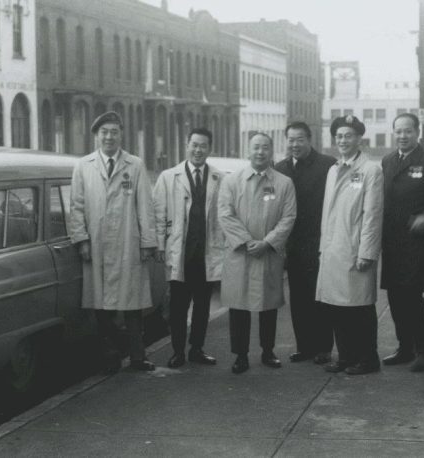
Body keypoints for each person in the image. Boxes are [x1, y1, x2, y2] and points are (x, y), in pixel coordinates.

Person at [70, 111, 157, 374]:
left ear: (121, 134)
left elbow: (145, 206)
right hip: (96, 245)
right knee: (102, 306)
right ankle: (109, 356)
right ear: (96, 136)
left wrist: (147, 242)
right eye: (104, 132)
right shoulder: (83, 165)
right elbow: (76, 206)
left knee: (131, 304)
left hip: (127, 243)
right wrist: (81, 239)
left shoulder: (135, 165)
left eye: (114, 132)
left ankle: (138, 357)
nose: (109, 137)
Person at [218, 133, 297, 374]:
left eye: (265, 148)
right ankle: (240, 355)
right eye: (256, 147)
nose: (260, 152)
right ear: (248, 150)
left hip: (268, 253)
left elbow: (288, 216)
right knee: (239, 306)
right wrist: (245, 241)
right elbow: (225, 213)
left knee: (268, 305)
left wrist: (267, 242)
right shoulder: (232, 181)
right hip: (240, 254)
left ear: (272, 151)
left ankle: (267, 351)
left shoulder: (284, 183)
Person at [316, 115, 384, 375]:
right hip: (334, 249)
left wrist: (367, 251)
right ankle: (345, 356)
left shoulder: (370, 170)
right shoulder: (333, 170)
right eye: (339, 136)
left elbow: (372, 214)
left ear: (359, 139)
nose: (343, 140)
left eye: (349, 136)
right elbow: (327, 212)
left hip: (355, 249)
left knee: (360, 308)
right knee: (336, 307)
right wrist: (324, 247)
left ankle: (368, 359)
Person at [153, 128, 224, 368]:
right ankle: (178, 352)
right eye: (194, 145)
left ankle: (197, 349)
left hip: (206, 252)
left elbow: (223, 217)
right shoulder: (168, 177)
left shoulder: (218, 178)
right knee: (178, 307)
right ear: (186, 145)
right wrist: (160, 245)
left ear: (209, 149)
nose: (198, 150)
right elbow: (159, 214)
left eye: (203, 146)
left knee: (203, 305)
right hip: (180, 252)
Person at [380, 113, 424, 372]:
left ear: (417, 132)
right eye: (398, 131)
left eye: (408, 131)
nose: (402, 136)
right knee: (395, 296)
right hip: (391, 240)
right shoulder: (388, 160)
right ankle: (405, 348)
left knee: (412, 296)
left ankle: (423, 350)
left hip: (415, 240)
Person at [274, 121, 337, 365]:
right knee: (298, 299)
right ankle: (304, 346)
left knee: (320, 298)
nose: (295, 144)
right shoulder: (280, 168)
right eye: (290, 140)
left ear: (309, 140)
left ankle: (323, 347)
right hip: (292, 245)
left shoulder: (327, 165)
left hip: (319, 243)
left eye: (300, 139)